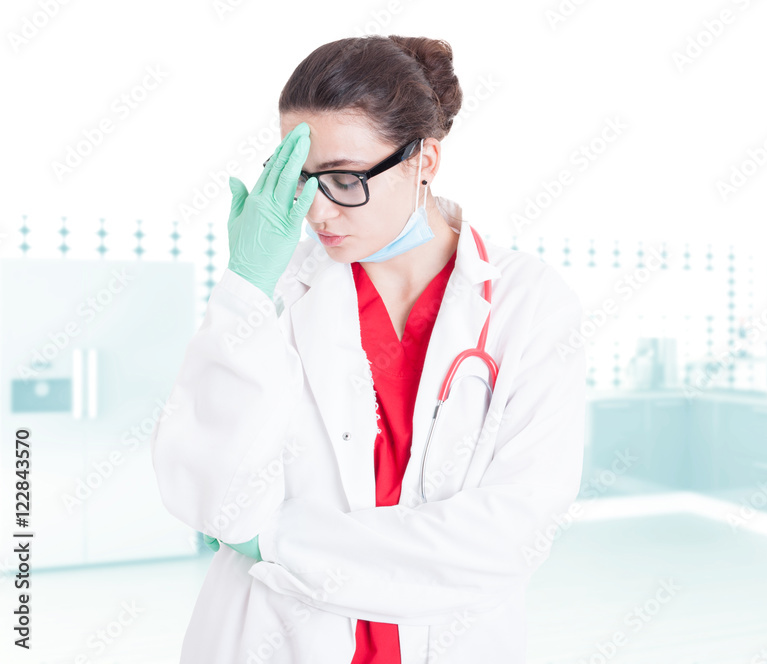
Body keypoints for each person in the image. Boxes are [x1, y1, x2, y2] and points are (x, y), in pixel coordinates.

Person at [151, 35, 586, 664]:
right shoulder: (274, 295)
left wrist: (277, 542)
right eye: (300, 181)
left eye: (344, 179)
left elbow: (507, 538)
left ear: (424, 160)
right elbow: (214, 500)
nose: (317, 213)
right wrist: (244, 288)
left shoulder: (529, 303)